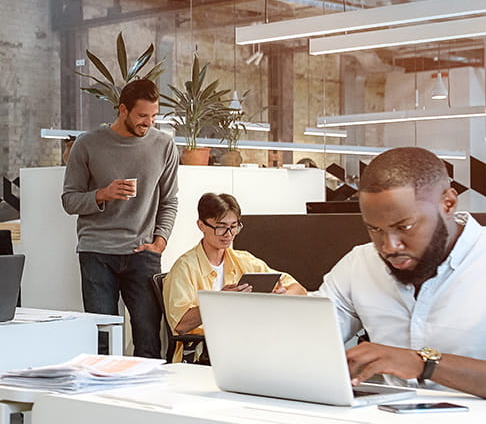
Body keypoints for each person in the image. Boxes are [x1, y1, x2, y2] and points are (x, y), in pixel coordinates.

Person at [317, 147, 486, 397]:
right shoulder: (360, 264)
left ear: (448, 203)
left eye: (404, 226)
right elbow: (309, 339)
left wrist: (424, 364)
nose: (389, 246)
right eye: (375, 229)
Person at [62, 78, 179, 358]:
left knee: (149, 338)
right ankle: (102, 398)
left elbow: (170, 200)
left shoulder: (164, 145)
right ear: (123, 110)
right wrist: (102, 194)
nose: (148, 122)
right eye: (142, 116)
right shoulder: (87, 144)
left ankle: (144, 400)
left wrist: (160, 241)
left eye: (153, 116)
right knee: (102, 339)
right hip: (96, 252)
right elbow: (69, 200)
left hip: (143, 253)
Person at [162, 193, 306, 362]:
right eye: (221, 227)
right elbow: (180, 325)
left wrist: (281, 296)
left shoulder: (243, 260)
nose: (228, 234)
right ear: (201, 225)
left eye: (234, 226)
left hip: (247, 344)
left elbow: (299, 289)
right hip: (204, 352)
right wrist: (218, 302)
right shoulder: (184, 267)